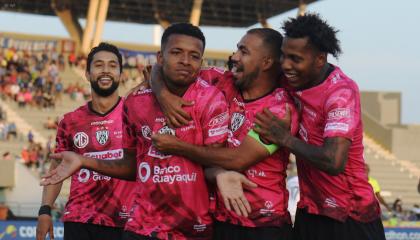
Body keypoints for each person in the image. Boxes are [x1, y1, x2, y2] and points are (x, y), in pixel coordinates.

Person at [41, 23, 248, 240]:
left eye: (194, 56)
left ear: (201, 62)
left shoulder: (212, 99)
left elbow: (213, 162)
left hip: (192, 228)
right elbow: (132, 166)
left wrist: (219, 172)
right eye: (176, 53)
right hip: (141, 227)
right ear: (160, 57)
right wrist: (84, 162)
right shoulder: (135, 103)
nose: (185, 61)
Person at [150, 28, 298, 240]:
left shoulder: (279, 110)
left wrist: (177, 146)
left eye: (244, 52)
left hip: (264, 225)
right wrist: (164, 96)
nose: (234, 57)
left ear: (266, 62)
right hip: (221, 221)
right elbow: (161, 67)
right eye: (237, 49)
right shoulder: (223, 80)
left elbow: (238, 160)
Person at [253, 14, 385, 240]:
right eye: (283, 56)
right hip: (310, 211)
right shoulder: (292, 79)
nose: (285, 65)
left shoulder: (341, 92)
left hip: (350, 216)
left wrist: (283, 138)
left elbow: (333, 160)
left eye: (295, 58)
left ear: (320, 59)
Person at [36, 42, 136, 240]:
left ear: (121, 73)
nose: (106, 70)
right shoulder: (70, 121)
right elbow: (57, 167)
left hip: (126, 220)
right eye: (98, 65)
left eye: (112, 65)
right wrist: (45, 210)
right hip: (80, 220)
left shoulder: (135, 114)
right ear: (88, 74)